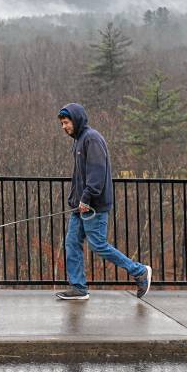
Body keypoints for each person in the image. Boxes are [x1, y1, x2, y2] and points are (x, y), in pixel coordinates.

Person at [56, 103, 151, 300]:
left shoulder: (92, 139)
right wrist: (75, 200)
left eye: (66, 123)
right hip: (80, 206)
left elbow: (97, 174)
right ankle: (78, 287)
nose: (64, 127)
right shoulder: (80, 140)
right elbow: (80, 176)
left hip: (93, 206)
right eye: (62, 123)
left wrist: (86, 198)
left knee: (98, 245)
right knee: (72, 243)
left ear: (76, 120)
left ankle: (139, 271)